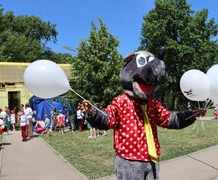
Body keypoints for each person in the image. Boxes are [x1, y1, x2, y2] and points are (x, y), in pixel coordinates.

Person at [82, 50, 205, 179]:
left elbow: (169, 119)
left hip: (152, 160)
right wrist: (92, 112)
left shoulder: (153, 103)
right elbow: (107, 119)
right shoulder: (122, 101)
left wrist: (192, 115)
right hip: (129, 161)